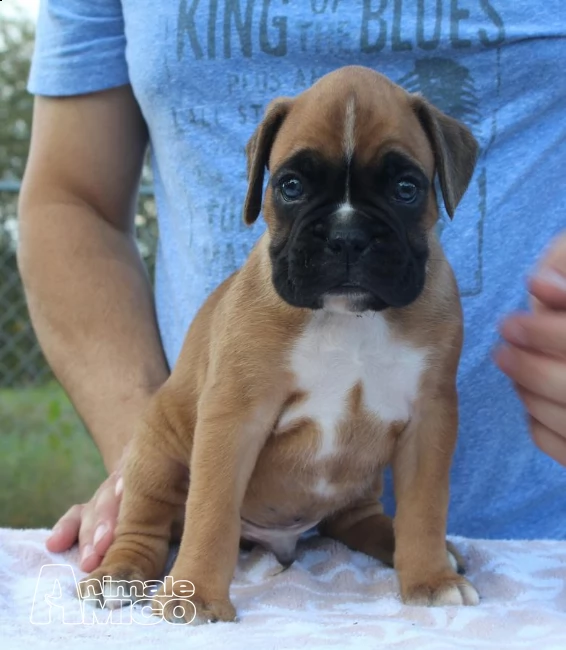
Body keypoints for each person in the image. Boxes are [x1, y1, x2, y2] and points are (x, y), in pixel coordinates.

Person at [18, 0, 566, 574]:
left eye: (402, 188)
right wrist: (148, 497)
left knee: (376, 497)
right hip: (205, 503)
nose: (347, 235)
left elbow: (429, 410)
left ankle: (372, 527)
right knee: (160, 485)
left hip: (534, 544)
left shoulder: (433, 312)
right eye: (297, 185)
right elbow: (69, 200)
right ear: (258, 183)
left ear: (444, 183)